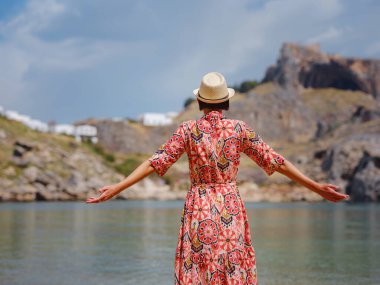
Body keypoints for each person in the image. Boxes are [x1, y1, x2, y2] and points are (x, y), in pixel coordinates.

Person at [86, 71, 349, 284]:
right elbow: (276, 162)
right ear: (226, 102)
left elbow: (155, 163)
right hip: (230, 209)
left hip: (199, 208)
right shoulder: (239, 130)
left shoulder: (187, 130)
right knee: (231, 268)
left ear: (199, 101)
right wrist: (316, 187)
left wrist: (117, 188)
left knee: (198, 269)